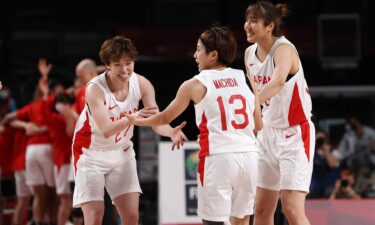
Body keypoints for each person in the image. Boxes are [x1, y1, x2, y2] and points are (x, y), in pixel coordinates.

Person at [126, 26, 262, 225]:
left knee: (213, 222)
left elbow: (164, 118)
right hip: (249, 156)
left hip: (219, 157)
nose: (195, 55)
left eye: (198, 50)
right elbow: (258, 124)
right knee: (241, 221)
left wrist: (138, 120)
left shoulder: (195, 84)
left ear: (213, 55)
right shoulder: (247, 78)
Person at [72, 35, 187, 225]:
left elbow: (155, 120)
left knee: (132, 216)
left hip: (121, 151)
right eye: (118, 64)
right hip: (90, 152)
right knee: (94, 217)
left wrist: (171, 132)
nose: (124, 69)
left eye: (128, 63)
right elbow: (107, 129)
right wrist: (129, 120)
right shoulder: (95, 89)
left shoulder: (142, 83)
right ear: (107, 65)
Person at [243, 1, 315, 225]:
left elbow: (277, 82)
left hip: (294, 134)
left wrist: (249, 105)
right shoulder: (248, 54)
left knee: (292, 209)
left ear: (270, 26)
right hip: (267, 134)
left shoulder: (284, 49)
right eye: (247, 20)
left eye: (254, 21)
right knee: (261, 208)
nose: (247, 25)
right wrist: (253, 122)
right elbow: (257, 92)